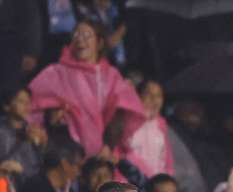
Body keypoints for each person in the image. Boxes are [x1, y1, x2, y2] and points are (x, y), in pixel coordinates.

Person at [28, 20, 144, 158]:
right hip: (63, 155)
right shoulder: (55, 73)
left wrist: (108, 145)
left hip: (101, 156)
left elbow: (120, 114)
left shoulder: (111, 76)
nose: (80, 40)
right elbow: (29, 108)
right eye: (76, 35)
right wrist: (50, 118)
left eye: (86, 35)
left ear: (99, 43)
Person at [126, 79, 174, 178]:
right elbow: (123, 155)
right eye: (148, 94)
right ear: (138, 96)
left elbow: (167, 162)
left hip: (156, 186)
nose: (154, 99)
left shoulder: (161, 125)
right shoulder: (127, 121)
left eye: (158, 95)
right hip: (133, 184)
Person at [0, 87, 47, 182]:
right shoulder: (2, 130)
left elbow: (36, 170)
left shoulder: (32, 132)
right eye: (21, 101)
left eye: (28, 102)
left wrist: (43, 145)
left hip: (19, 191)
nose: (26, 106)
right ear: (7, 106)